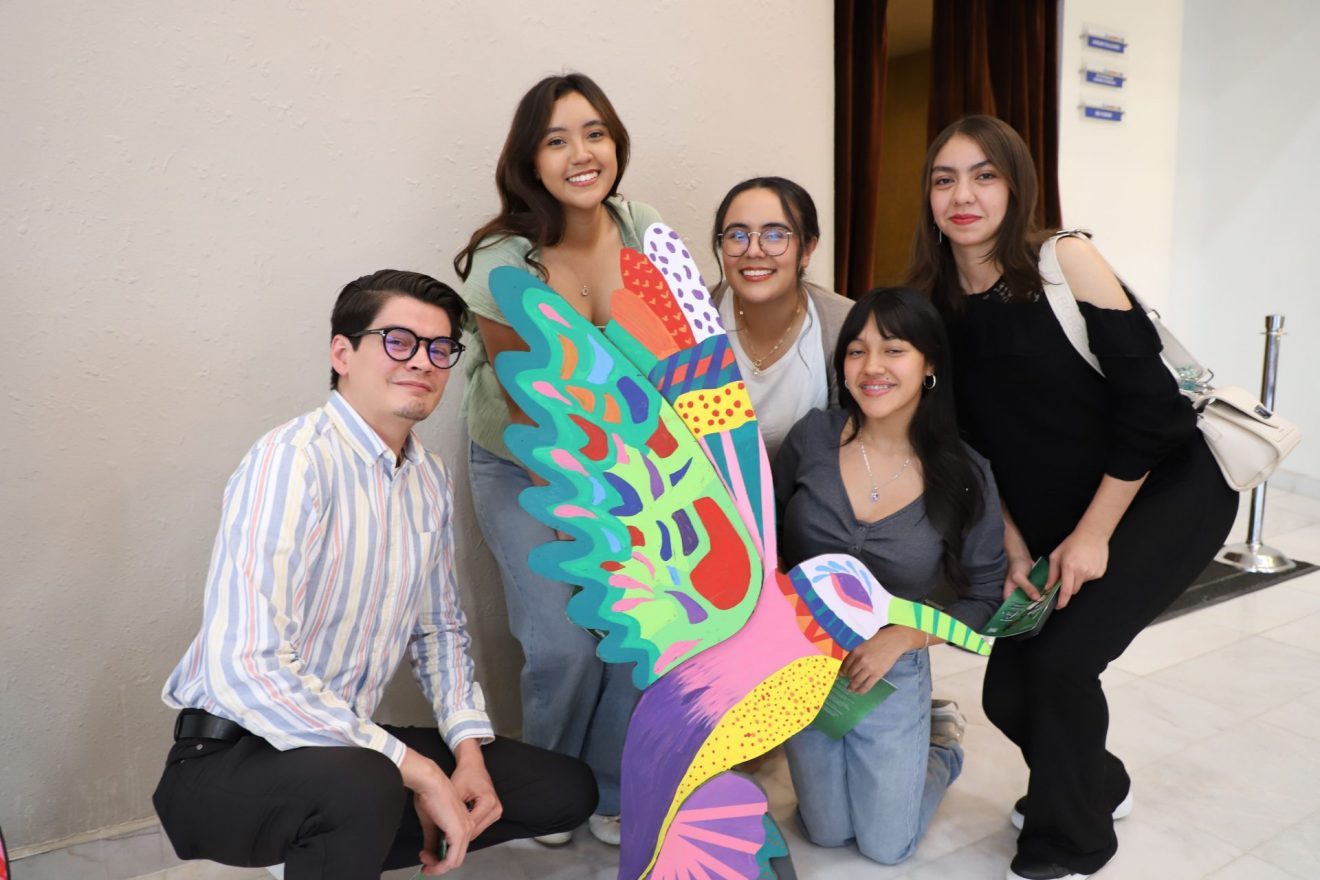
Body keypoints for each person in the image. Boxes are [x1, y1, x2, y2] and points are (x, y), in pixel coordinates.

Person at [153, 270, 596, 880]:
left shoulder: (428, 477)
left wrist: (467, 754)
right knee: (367, 786)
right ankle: (333, 830)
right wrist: (416, 769)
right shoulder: (293, 461)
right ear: (342, 354)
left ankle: (326, 846)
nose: (422, 361)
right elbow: (247, 666)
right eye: (398, 341)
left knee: (563, 789)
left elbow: (439, 633)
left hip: (346, 745)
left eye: (440, 348)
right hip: (227, 757)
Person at [909, 115, 1239, 880]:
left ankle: (1071, 843)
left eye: (984, 176)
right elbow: (969, 447)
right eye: (945, 179)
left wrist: (1093, 536)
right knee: (1006, 694)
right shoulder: (935, 305)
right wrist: (1013, 545)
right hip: (1053, 516)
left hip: (1165, 489)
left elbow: (1153, 413)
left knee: (1060, 664)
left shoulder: (1064, 261)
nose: (963, 195)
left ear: (1016, 186)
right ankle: (1098, 782)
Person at [452, 72, 660, 846]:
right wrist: (590, 518)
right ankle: (546, 788)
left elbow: (670, 355)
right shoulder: (502, 257)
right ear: (530, 161)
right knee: (564, 642)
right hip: (524, 463)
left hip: (628, 463)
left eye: (595, 133)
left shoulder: (644, 229)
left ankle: (605, 791)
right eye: (557, 139)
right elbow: (525, 400)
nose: (582, 153)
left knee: (635, 629)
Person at [772, 288, 1006, 865]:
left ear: (929, 365)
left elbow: (985, 597)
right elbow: (763, 540)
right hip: (803, 661)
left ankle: (941, 746)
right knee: (825, 831)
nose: (871, 366)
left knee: (886, 847)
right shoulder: (811, 438)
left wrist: (903, 638)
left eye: (894, 350)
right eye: (857, 350)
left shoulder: (964, 473)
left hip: (891, 665)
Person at [709, 176, 854, 458]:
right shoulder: (688, 316)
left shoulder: (845, 324)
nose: (753, 251)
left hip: (812, 484)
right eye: (737, 235)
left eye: (775, 235)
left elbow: (854, 448)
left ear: (807, 250)